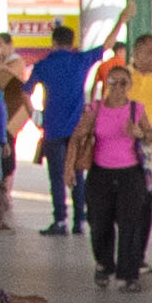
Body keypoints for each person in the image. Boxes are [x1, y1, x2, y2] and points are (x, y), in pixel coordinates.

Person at [82, 53, 152, 291]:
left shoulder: (136, 109)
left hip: (130, 174)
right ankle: (104, 264)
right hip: (100, 173)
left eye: (123, 83)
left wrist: (139, 133)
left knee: (130, 223)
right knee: (100, 222)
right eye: (112, 82)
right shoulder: (95, 108)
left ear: (130, 86)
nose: (117, 87)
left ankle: (129, 274)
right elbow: (80, 135)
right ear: (105, 84)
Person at [36, 30, 98, 235]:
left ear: (53, 42)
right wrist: (122, 20)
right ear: (72, 43)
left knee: (57, 176)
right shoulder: (80, 60)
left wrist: (35, 116)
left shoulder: (43, 65)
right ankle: (79, 220)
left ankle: (60, 220)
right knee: (77, 173)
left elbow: (25, 92)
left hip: (53, 128)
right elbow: (106, 45)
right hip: (76, 129)